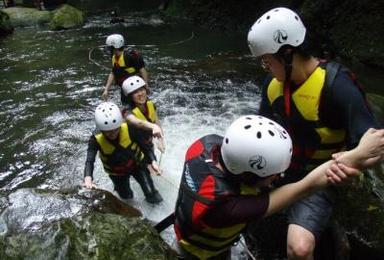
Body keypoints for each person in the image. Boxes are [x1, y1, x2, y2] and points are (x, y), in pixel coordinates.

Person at [247, 7, 380, 259]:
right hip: (277, 172)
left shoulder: (336, 85)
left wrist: (350, 159)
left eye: (267, 60)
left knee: (299, 248)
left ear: (288, 54)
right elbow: (259, 132)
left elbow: (375, 141)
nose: (265, 67)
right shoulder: (272, 86)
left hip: (318, 175)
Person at [173, 115, 384, 259]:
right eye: (274, 174)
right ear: (248, 176)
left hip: (200, 232)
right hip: (199, 254)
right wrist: (357, 155)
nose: (278, 177)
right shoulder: (228, 207)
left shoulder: (205, 145)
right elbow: (304, 187)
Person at [82, 102, 163, 204]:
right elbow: (90, 160)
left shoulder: (130, 128)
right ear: (101, 129)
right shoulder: (95, 139)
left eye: (116, 129)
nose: (112, 134)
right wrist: (88, 178)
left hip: (138, 165)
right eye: (108, 131)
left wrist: (153, 161)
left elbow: (145, 147)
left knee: (151, 193)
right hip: (116, 173)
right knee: (126, 197)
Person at [121, 75, 165, 156]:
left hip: (147, 144)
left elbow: (157, 123)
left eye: (141, 89)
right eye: (135, 92)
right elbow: (138, 122)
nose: (140, 94)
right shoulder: (127, 112)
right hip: (131, 149)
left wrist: (160, 140)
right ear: (130, 97)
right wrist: (153, 127)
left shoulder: (150, 104)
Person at [102, 34, 149, 105]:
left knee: (141, 105)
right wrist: (106, 90)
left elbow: (142, 70)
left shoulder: (130, 56)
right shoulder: (114, 57)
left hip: (136, 87)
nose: (108, 50)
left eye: (109, 48)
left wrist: (146, 85)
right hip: (125, 88)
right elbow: (113, 73)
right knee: (126, 106)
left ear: (115, 47)